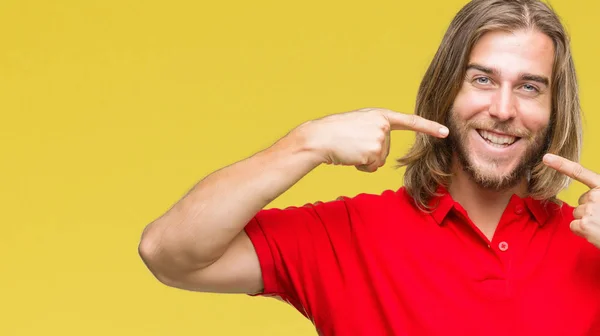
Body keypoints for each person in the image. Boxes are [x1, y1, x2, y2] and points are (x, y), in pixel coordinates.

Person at [138, 0, 600, 335]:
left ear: (555, 110)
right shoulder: (348, 235)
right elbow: (167, 253)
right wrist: (308, 142)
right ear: (446, 92)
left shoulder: (590, 247)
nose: (503, 108)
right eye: (482, 79)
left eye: (529, 88)